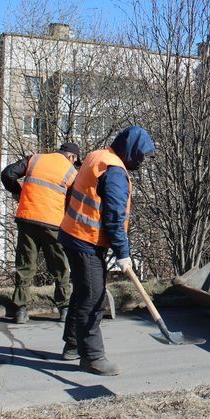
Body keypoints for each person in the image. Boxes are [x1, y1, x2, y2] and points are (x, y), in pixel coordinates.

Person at [59, 126, 155, 376]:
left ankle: (73, 345)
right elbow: (114, 216)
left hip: (73, 233)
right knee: (93, 297)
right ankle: (92, 357)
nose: (142, 161)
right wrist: (123, 253)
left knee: (83, 293)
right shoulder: (114, 172)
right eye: (141, 155)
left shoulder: (98, 155)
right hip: (84, 240)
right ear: (131, 150)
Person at [1, 142, 81, 324]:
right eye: (75, 161)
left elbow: (7, 174)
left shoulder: (35, 159)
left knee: (25, 265)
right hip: (53, 223)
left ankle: (20, 310)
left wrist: (18, 192)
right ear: (71, 157)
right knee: (60, 267)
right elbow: (74, 202)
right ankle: (64, 308)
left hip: (27, 219)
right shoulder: (71, 172)